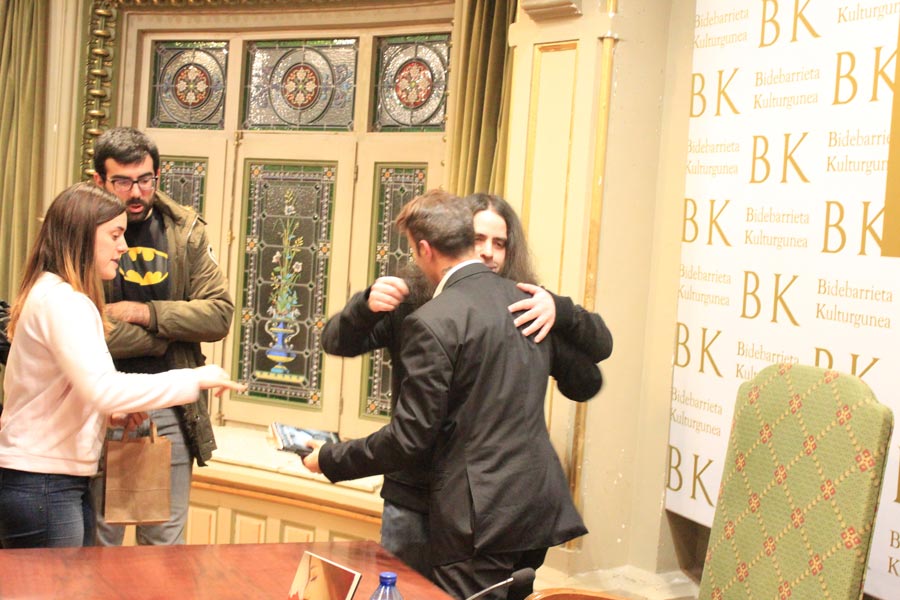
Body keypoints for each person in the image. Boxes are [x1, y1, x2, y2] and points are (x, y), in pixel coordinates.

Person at [306, 190, 602, 600]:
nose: (488, 252)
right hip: (428, 495)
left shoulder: (527, 304)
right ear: (460, 238)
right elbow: (337, 341)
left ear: (425, 248)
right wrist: (364, 306)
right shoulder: (413, 301)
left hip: (483, 507)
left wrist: (561, 310)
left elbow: (587, 375)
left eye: (499, 243)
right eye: (479, 239)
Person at [0, 182, 244, 549]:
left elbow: (64, 389)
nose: (124, 247)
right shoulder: (65, 302)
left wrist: (108, 413)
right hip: (44, 483)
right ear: (83, 236)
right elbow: (104, 389)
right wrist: (194, 378)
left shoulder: (54, 293)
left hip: (48, 480)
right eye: (114, 235)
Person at [89, 127, 234, 546]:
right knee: (96, 546)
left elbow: (218, 314)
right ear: (99, 179)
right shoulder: (78, 230)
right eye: (122, 182)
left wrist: (146, 313)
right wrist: (164, 336)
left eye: (146, 180)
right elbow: (85, 329)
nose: (136, 193)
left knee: (164, 550)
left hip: (170, 406)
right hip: (101, 404)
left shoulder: (185, 230)